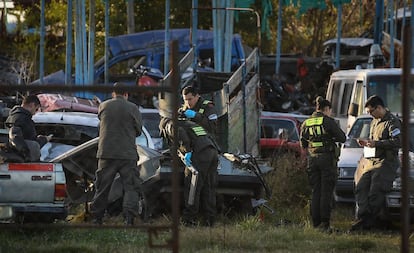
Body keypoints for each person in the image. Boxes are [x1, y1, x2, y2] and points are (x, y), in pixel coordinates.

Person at [89, 82, 143, 226]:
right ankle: (129, 219)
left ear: (113, 93)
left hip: (106, 153)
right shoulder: (133, 108)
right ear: (126, 94)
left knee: (102, 187)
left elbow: (101, 124)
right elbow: (138, 130)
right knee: (131, 187)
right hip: (127, 154)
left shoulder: (103, 106)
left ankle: (96, 218)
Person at [351, 95, 401, 231]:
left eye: (371, 111)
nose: (370, 114)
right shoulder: (374, 122)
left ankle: (370, 223)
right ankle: (363, 218)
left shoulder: (392, 122)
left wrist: (376, 143)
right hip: (371, 161)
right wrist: (366, 142)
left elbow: (398, 141)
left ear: (379, 108)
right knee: (361, 187)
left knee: (375, 192)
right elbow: (373, 140)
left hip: (386, 162)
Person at [160, 117, 219, 227]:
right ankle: (209, 220)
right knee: (208, 187)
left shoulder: (171, 125)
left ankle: (189, 219)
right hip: (212, 152)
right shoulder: (189, 123)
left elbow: (182, 136)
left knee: (192, 186)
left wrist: (186, 151)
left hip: (200, 154)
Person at [300, 96, 346, 232]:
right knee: (326, 191)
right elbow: (342, 138)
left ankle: (315, 222)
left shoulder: (306, 122)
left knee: (316, 191)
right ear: (327, 109)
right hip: (327, 159)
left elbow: (303, 143)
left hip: (312, 159)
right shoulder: (328, 121)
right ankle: (325, 224)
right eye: (330, 111)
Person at [5, 94, 52, 161]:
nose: (35, 113)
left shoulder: (13, 116)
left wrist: (42, 139)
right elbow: (25, 143)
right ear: (32, 105)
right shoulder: (23, 118)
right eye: (36, 109)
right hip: (23, 161)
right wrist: (44, 139)